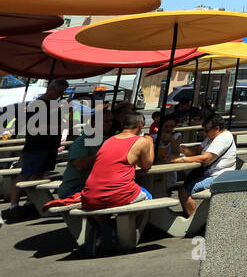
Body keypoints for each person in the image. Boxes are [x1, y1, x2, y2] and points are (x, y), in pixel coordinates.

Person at [82, 109, 154, 249]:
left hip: (89, 195)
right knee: (149, 196)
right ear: (140, 125)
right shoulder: (141, 141)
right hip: (120, 194)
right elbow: (147, 164)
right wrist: (150, 142)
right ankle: (118, 228)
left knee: (102, 204)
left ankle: (105, 227)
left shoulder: (108, 140)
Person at [5, 79, 69, 219]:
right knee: (25, 175)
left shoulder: (53, 105)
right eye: (59, 92)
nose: (60, 96)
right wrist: (56, 127)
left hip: (49, 146)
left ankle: (30, 202)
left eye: (62, 93)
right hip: (36, 147)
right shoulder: (37, 105)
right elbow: (32, 128)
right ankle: (13, 206)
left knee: (39, 175)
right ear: (51, 89)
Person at [172, 112, 237, 217]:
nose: (205, 133)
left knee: (183, 192)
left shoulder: (222, 138)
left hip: (218, 176)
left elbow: (206, 158)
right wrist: (186, 151)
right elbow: (198, 150)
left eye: (207, 131)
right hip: (210, 173)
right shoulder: (213, 136)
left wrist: (181, 159)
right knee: (187, 182)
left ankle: (193, 222)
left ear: (216, 128)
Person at [56, 100, 111, 199]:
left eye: (111, 121)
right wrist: (102, 155)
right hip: (74, 188)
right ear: (95, 122)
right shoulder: (81, 142)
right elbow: (80, 165)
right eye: (106, 121)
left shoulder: (106, 140)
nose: (110, 124)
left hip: (93, 186)